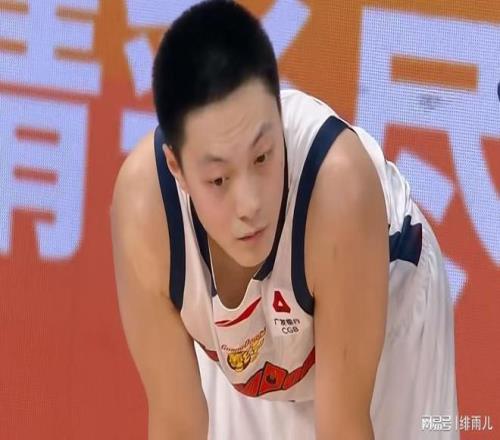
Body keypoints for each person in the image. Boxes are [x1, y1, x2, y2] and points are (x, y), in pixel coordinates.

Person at [110, 1, 458, 439]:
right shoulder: (145, 211)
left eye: (262, 157)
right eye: (218, 179)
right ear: (177, 168)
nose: (249, 203)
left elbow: (344, 427)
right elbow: (177, 423)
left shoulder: (340, 190)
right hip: (255, 346)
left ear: (279, 116)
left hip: (385, 298)